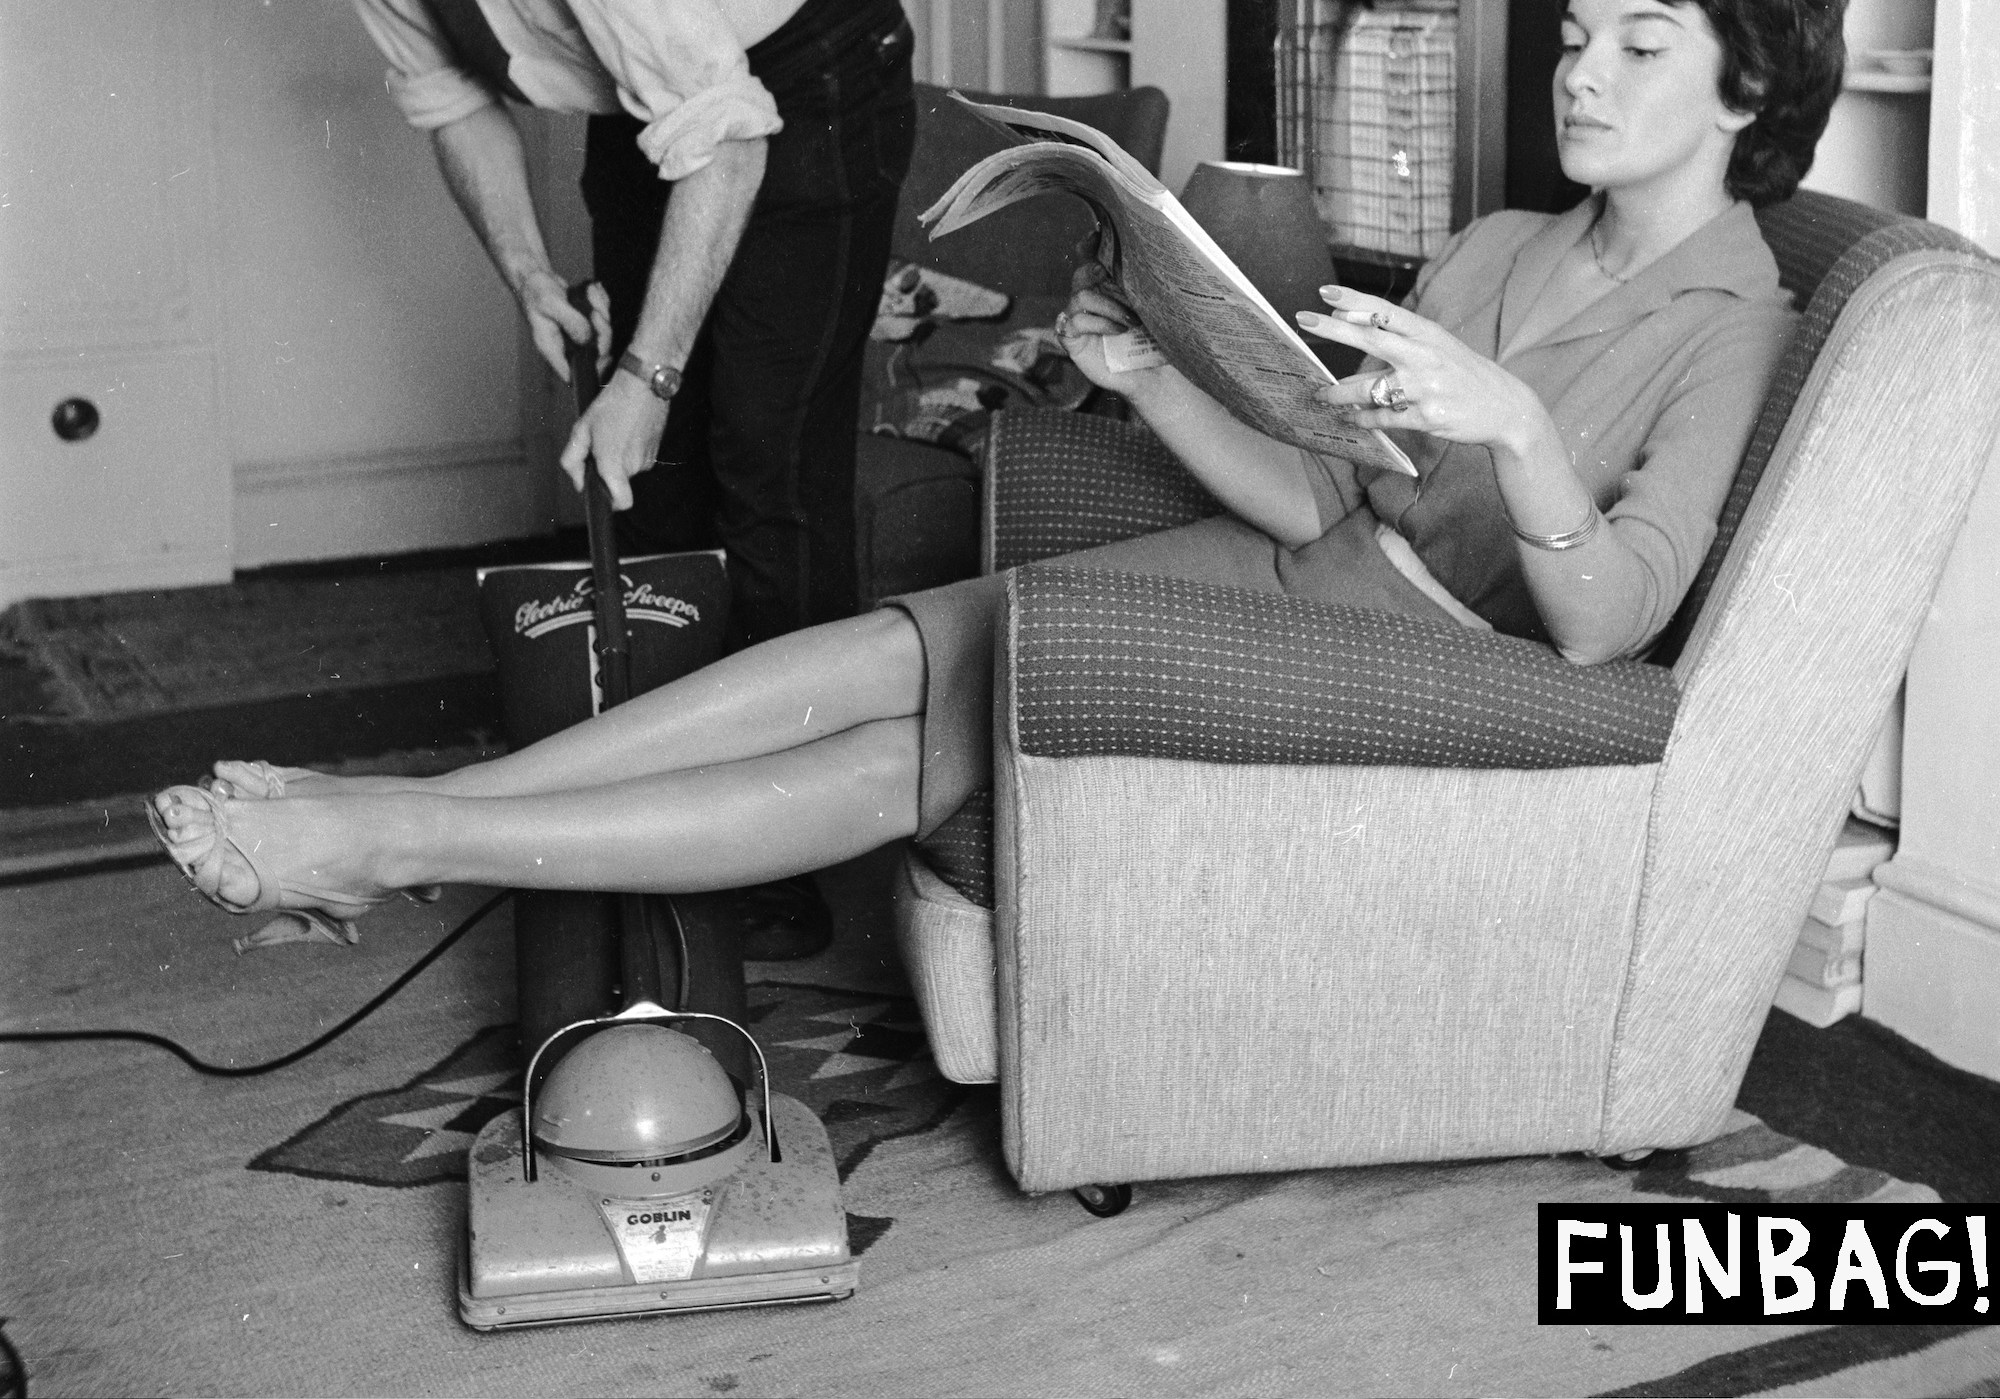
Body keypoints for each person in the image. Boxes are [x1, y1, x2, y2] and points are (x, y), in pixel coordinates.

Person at [152, 0, 1841, 944]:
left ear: (1747, 81)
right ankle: (417, 819)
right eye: (1578, 35)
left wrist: (1521, 425)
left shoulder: (1741, 321)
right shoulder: (1499, 239)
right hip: (1295, 575)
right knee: (895, 643)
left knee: (938, 721)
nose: (1578, 66)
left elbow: (1610, 632)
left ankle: (396, 837)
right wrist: (1153, 380)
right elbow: (1322, 494)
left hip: (1431, 665)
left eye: (1639, 42)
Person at [349, 0, 917, 956]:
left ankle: (783, 858)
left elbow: (728, 145)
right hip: (653, 98)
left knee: (765, 468)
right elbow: (452, 102)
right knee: (655, 487)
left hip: (813, 78)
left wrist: (646, 378)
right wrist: (527, 273)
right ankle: (668, 824)